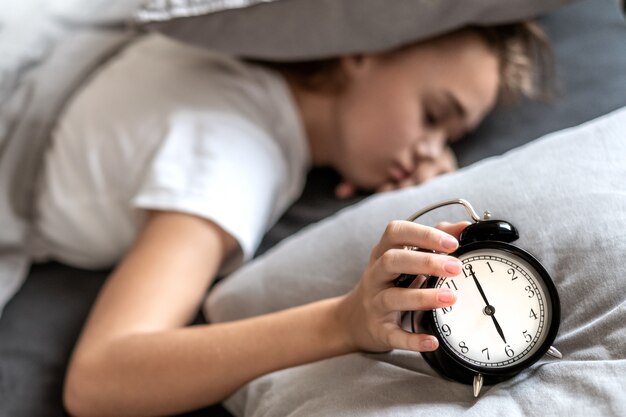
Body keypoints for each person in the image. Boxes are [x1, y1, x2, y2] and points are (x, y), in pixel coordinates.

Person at [31, 19, 551, 416]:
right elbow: (101, 377)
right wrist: (345, 322)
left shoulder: (242, 50)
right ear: (364, 48)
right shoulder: (234, 159)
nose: (429, 152)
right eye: (433, 116)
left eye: (449, 141)